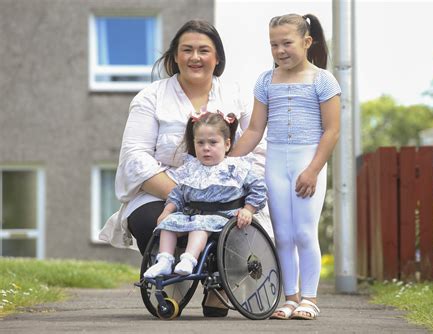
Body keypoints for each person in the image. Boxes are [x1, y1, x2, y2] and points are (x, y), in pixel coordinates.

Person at [98, 19, 270, 317]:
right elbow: (135, 156)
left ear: (217, 59)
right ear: (174, 56)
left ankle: (219, 285)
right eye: (186, 50)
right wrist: (182, 194)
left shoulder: (236, 97)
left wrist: (228, 185)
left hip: (224, 187)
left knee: (232, 220)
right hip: (167, 188)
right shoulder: (151, 97)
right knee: (150, 220)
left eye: (204, 50)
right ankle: (172, 278)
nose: (195, 57)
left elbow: (259, 149)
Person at [229, 13, 341, 320]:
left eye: (287, 43)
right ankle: (290, 298)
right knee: (283, 234)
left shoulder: (323, 80)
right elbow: (254, 131)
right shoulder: (266, 80)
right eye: (273, 44)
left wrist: (313, 170)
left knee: (305, 232)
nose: (280, 50)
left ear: (306, 42)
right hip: (276, 162)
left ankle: (310, 298)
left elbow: (332, 131)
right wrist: (229, 160)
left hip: (308, 162)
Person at [143, 111, 266, 278]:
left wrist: (248, 210)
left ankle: (189, 259)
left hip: (223, 216)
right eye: (200, 143)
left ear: (227, 144)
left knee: (199, 226)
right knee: (168, 224)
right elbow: (178, 193)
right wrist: (167, 211)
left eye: (213, 143)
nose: (206, 148)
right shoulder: (191, 168)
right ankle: (165, 260)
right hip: (192, 214)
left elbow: (258, 188)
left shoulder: (235, 167)